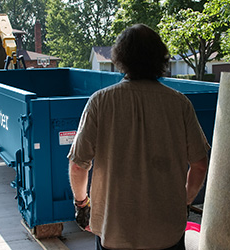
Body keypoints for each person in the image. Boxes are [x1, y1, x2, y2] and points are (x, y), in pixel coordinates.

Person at [68, 24, 210, 250]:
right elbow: (200, 165)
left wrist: (81, 203)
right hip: (167, 235)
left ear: (120, 57)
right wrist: (184, 201)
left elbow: (78, 166)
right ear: (160, 58)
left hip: (114, 233)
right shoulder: (180, 104)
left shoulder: (100, 102)